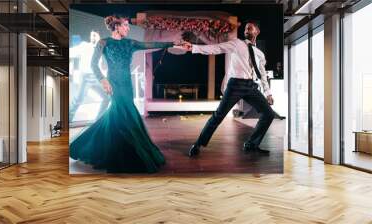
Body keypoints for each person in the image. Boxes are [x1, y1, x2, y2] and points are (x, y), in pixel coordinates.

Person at [70, 15, 184, 173]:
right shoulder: (104, 43)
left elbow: (151, 44)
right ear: (117, 27)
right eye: (125, 25)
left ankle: (118, 149)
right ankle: (124, 152)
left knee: (117, 115)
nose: (128, 28)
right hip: (113, 84)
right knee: (124, 114)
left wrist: (172, 43)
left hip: (126, 85)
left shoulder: (130, 43)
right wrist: (103, 80)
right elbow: (93, 64)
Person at [182, 22, 275, 157]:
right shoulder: (237, 43)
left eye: (250, 27)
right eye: (245, 28)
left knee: (269, 114)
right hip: (235, 85)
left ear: (257, 31)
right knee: (218, 116)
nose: (247, 29)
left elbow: (262, 75)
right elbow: (217, 48)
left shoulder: (260, 54)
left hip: (250, 86)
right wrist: (194, 48)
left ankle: (251, 144)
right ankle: (198, 144)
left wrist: (268, 94)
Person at [69, 30, 109, 122]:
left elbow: (100, 66)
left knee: (107, 97)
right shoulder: (84, 46)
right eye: (92, 35)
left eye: (95, 35)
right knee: (78, 99)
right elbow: (72, 52)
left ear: (99, 37)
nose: (93, 37)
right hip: (85, 77)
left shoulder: (100, 49)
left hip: (96, 77)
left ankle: (98, 120)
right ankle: (68, 120)